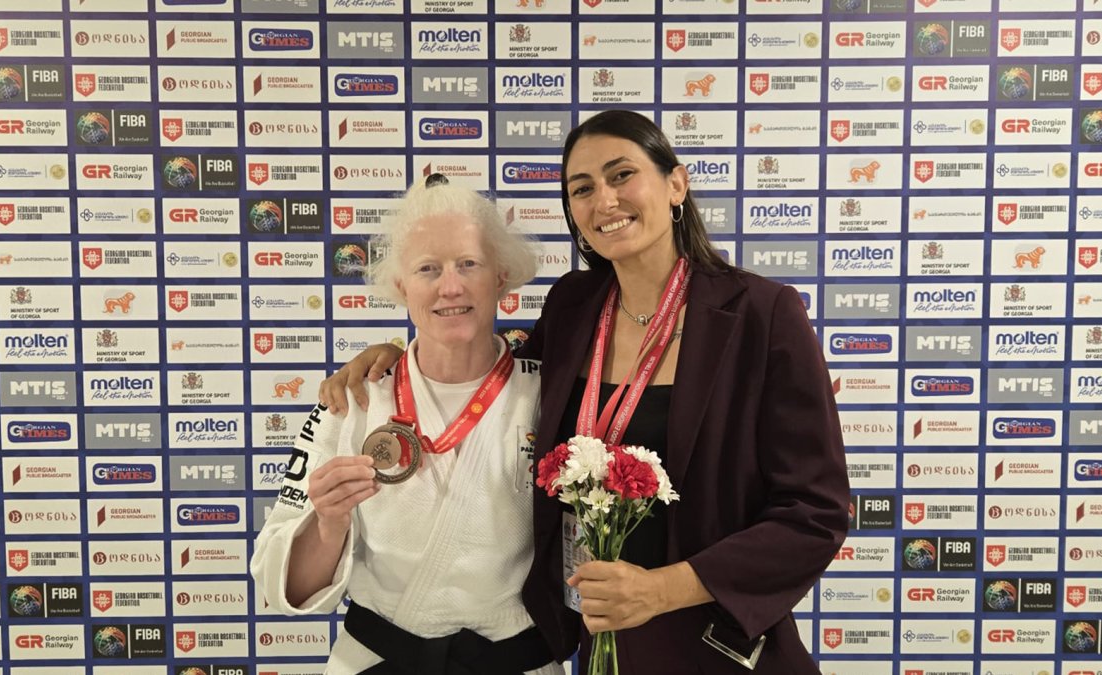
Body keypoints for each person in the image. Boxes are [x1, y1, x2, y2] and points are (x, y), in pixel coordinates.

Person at [320, 110, 849, 674]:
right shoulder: (574, 305)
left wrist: (664, 590)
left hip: (716, 641)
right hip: (599, 641)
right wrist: (401, 361)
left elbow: (814, 514)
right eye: (582, 188)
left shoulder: (760, 315)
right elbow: (495, 375)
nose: (604, 200)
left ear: (675, 183)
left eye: (622, 175)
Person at [251, 174, 564, 675]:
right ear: (400, 285)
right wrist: (328, 524)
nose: (451, 286)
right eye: (427, 268)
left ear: (501, 274)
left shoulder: (552, 397)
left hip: (513, 662)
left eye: (469, 264)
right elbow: (285, 587)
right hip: (379, 661)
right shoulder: (352, 400)